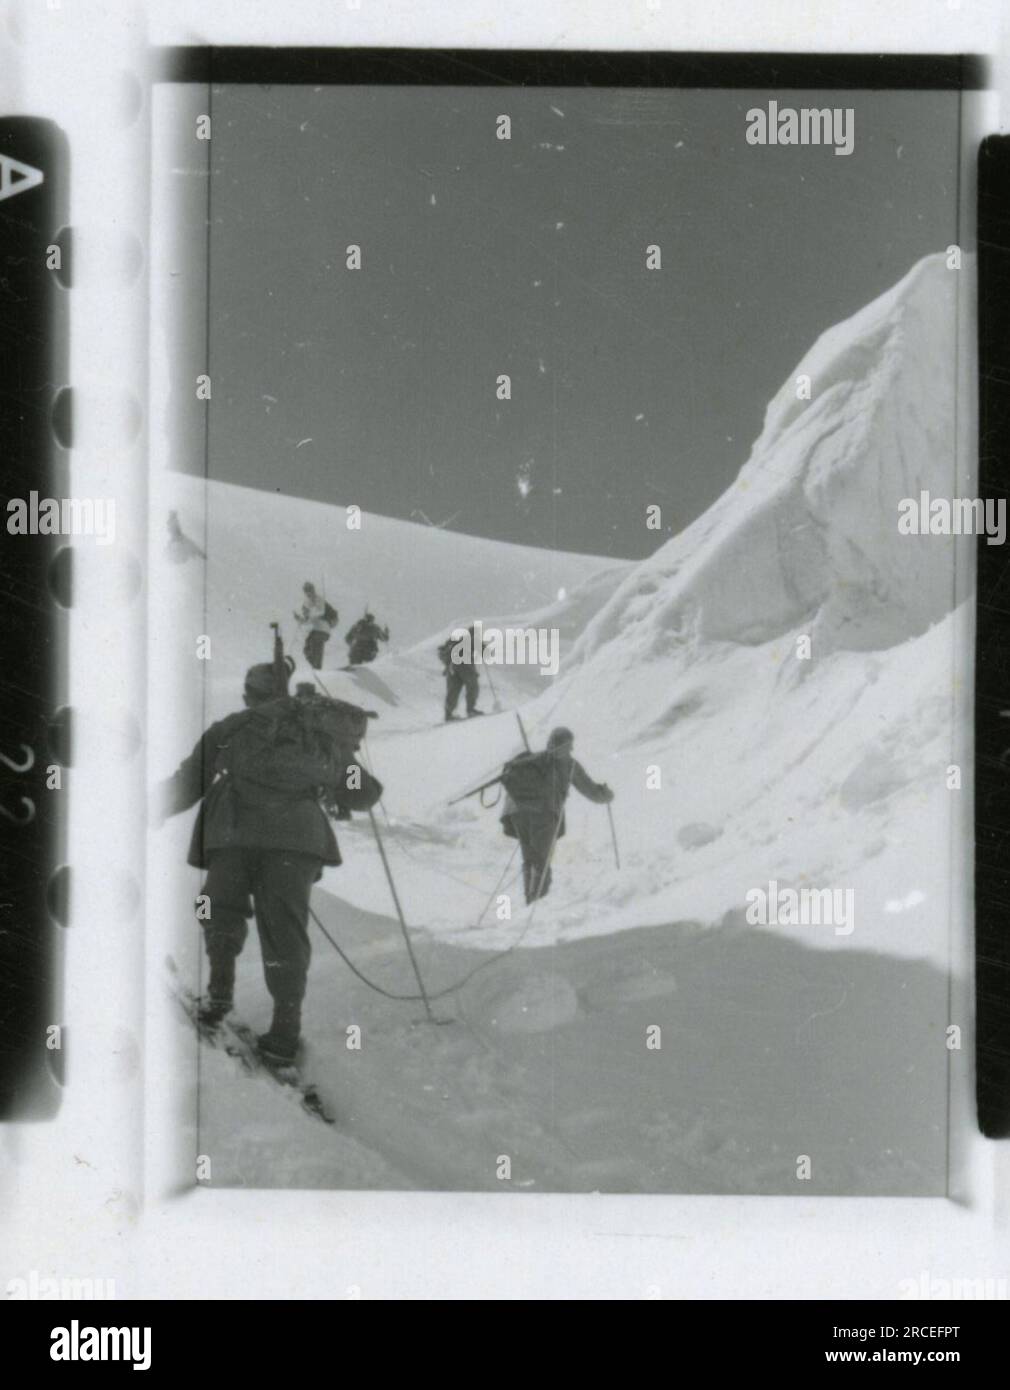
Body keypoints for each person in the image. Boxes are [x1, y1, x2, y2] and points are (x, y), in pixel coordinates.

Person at [155, 661, 382, 1063]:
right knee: (286, 931)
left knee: (218, 908)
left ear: (249, 695)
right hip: (297, 842)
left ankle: (220, 994)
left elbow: (189, 782)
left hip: (233, 833)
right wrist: (352, 762)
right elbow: (359, 795)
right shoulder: (318, 734)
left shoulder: (232, 728)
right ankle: (284, 1033)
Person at [500, 727, 614, 904]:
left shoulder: (534, 760)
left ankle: (530, 901)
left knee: (529, 858)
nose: (572, 749)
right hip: (543, 814)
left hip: (516, 813)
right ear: (566, 745)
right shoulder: (568, 764)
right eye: (570, 745)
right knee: (541, 861)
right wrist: (606, 795)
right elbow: (590, 790)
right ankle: (536, 904)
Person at [438, 625, 486, 721]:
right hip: (464, 664)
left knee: (453, 690)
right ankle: (470, 710)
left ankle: (448, 714)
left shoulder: (455, 640)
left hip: (451, 666)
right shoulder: (470, 639)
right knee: (472, 685)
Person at [295, 582, 337, 670]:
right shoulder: (307, 603)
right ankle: (315, 666)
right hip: (316, 629)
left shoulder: (319, 599)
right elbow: (308, 620)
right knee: (307, 649)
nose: (308, 593)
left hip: (323, 628)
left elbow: (320, 612)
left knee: (316, 644)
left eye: (309, 590)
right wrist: (300, 619)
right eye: (306, 591)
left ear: (313, 590)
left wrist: (308, 612)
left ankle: (317, 667)